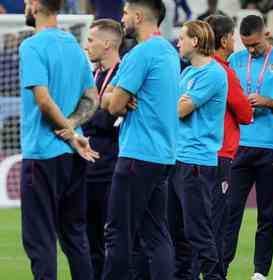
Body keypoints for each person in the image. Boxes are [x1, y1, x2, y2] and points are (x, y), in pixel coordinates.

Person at [19, 0, 100, 279]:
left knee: (40, 240)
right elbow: (92, 97)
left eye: (28, 1)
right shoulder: (75, 47)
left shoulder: (31, 46)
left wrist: (69, 131)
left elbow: (42, 100)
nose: (26, 6)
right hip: (72, 156)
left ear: (38, 5)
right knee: (76, 238)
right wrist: (74, 132)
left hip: (41, 154)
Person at [99, 0, 179, 279]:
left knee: (118, 232)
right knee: (156, 234)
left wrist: (114, 98)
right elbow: (110, 96)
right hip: (163, 155)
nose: (121, 18)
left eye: (124, 12)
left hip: (137, 153)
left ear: (139, 15)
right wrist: (113, 97)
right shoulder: (168, 51)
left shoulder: (140, 54)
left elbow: (112, 104)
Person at [224, 15, 273, 280]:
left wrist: (268, 101)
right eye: (246, 45)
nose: (251, 50)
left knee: (267, 215)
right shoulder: (234, 61)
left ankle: (260, 273)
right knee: (229, 212)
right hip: (238, 147)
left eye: (255, 44)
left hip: (272, 147)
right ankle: (219, 269)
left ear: (267, 34)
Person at [193, 14, 253, 279]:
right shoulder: (223, 72)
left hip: (189, 156)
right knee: (214, 224)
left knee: (191, 222)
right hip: (218, 157)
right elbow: (245, 113)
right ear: (226, 39)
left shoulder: (193, 69)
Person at [170, 19, 228, 279]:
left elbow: (179, 110)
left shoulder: (214, 73)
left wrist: (174, 105)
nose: (178, 42)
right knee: (177, 231)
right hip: (178, 157)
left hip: (196, 160)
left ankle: (215, 277)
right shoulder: (187, 73)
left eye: (182, 38)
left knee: (198, 231)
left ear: (195, 41)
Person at [82, 18, 123, 280]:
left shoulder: (122, 75)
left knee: (114, 240)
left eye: (90, 40)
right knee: (90, 241)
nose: (86, 46)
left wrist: (88, 113)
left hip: (111, 167)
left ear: (107, 43)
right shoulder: (94, 74)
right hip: (88, 167)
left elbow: (108, 120)